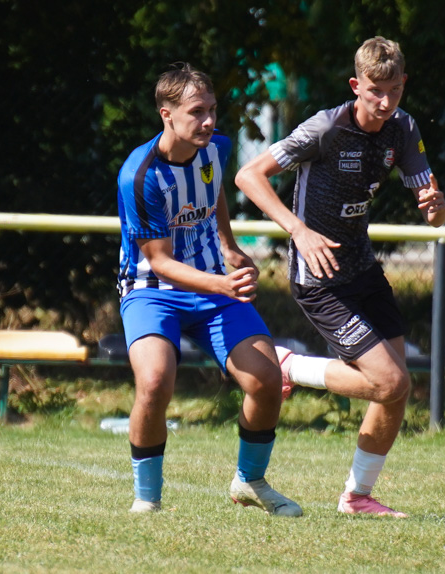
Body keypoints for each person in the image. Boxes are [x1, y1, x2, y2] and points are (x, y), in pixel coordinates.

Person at [235, 37, 445, 518]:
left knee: (397, 389)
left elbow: (434, 213)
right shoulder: (326, 128)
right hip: (321, 278)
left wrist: (438, 209)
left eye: (394, 89)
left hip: (364, 270)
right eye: (375, 90)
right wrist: (299, 231)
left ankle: (357, 496)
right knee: (389, 382)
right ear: (356, 85)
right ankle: (291, 368)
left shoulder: (403, 129)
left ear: (403, 85)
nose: (385, 101)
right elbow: (249, 176)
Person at [116, 62, 301, 517]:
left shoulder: (215, 148)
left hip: (213, 287)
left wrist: (229, 246)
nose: (209, 121)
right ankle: (147, 498)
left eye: (213, 110)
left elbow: (213, 190)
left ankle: (250, 482)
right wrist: (224, 281)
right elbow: (158, 261)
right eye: (197, 112)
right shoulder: (138, 177)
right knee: (156, 381)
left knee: (267, 381)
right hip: (151, 289)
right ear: (167, 114)